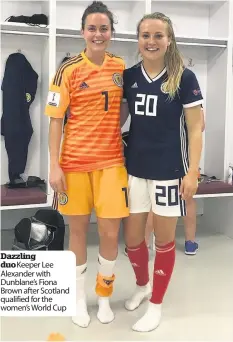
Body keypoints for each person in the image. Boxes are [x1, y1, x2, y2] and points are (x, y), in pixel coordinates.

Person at [44, 1, 129, 328]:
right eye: (92, 28)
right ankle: (78, 299)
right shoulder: (67, 69)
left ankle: (103, 296)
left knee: (110, 233)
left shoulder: (121, 66)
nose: (98, 34)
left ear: (110, 33)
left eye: (103, 28)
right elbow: (55, 121)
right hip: (74, 165)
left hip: (111, 165)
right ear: (83, 32)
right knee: (77, 233)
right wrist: (54, 166)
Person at [120, 12, 203, 332]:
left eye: (158, 35)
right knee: (133, 240)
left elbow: (196, 129)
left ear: (169, 40)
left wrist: (192, 171)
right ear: (138, 40)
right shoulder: (128, 76)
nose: (151, 41)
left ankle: (156, 305)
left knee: (164, 241)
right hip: (135, 169)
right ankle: (143, 286)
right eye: (145, 35)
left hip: (170, 170)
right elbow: (118, 121)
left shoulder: (184, 77)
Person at [123, 106, 205, 256]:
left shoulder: (184, 85)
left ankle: (188, 242)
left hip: (181, 154)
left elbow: (200, 125)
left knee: (184, 196)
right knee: (158, 199)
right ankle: (188, 242)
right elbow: (201, 124)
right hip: (167, 153)